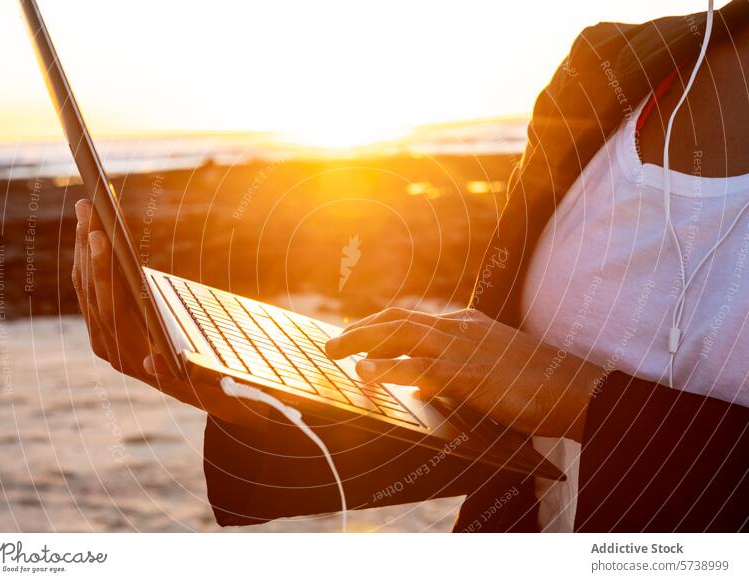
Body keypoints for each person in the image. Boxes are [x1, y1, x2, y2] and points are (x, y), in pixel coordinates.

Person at [72, 1, 749, 532]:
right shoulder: (617, 66)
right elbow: (504, 427)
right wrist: (257, 395)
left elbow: (546, 393)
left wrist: (581, 400)